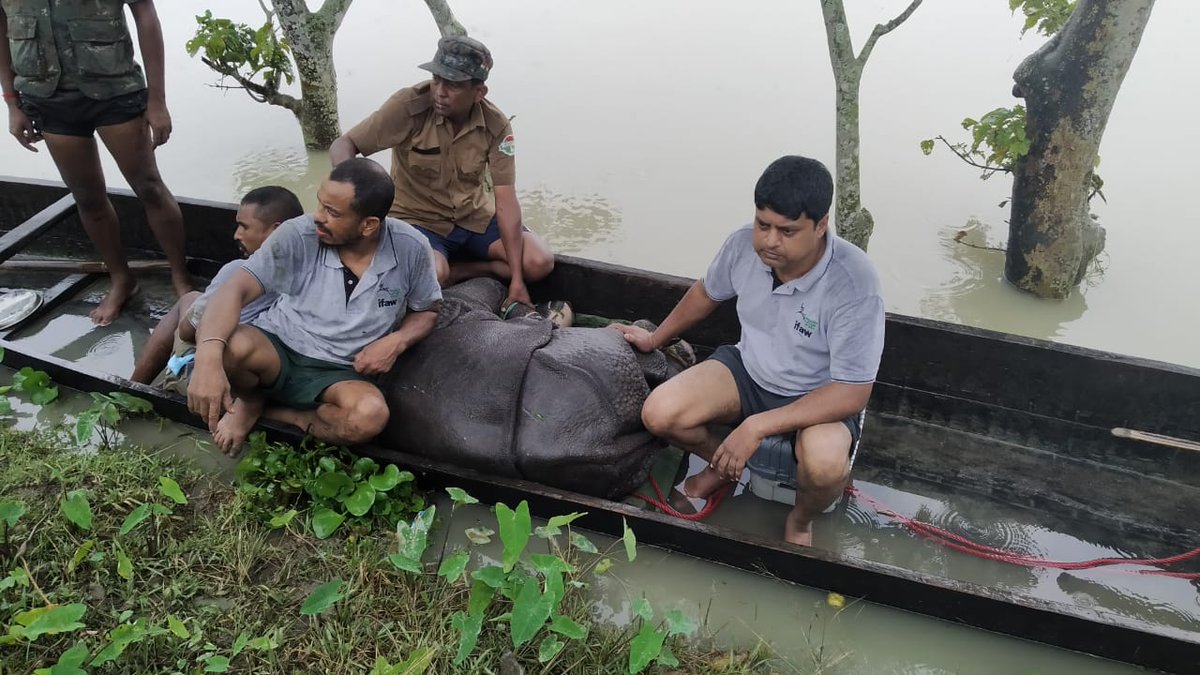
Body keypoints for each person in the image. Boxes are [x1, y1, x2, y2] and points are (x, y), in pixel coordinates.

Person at [611, 156, 885, 547]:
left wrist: (755, 426)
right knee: (659, 413)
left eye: (788, 231)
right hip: (749, 370)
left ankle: (801, 520)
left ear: (822, 225)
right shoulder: (742, 245)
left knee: (824, 466)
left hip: (818, 396)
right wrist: (655, 340)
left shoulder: (855, 282)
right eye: (763, 224)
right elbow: (706, 293)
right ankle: (727, 469)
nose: (769, 241)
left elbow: (853, 391)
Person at [186, 158, 443, 455]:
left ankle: (289, 416)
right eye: (320, 204)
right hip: (278, 347)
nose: (318, 217)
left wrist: (397, 341)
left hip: (343, 370)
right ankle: (251, 401)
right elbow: (236, 289)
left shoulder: (411, 248)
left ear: (368, 225)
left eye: (332, 212)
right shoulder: (298, 234)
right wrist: (207, 356)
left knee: (370, 416)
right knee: (227, 345)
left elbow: (427, 310)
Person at [0, 0, 193, 325]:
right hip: (48, 96)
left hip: (115, 89)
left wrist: (157, 100)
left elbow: (145, 13)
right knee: (87, 197)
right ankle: (122, 279)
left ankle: (181, 277)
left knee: (149, 187)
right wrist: (11, 102)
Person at [329, 35, 554, 310]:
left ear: (479, 92)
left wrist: (517, 282)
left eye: (453, 85)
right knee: (433, 273)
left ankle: (463, 268)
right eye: (437, 79)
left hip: (474, 218)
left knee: (538, 263)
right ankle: (464, 269)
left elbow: (505, 199)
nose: (440, 91)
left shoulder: (496, 126)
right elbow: (345, 144)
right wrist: (352, 198)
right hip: (418, 219)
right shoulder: (408, 106)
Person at [130, 186, 304, 389]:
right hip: (277, 373)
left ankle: (132, 388)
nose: (236, 235)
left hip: (221, 375)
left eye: (244, 227)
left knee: (189, 300)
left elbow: (188, 332)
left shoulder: (239, 271)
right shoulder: (310, 269)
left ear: (277, 231)